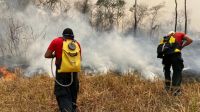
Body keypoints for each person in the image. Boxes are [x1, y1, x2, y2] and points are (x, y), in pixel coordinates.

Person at [45, 28, 81, 112]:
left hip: (61, 72)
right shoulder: (77, 44)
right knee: (73, 93)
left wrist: (55, 55)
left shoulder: (56, 41)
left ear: (63, 35)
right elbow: (79, 59)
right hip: (74, 73)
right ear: (72, 36)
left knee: (62, 94)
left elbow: (47, 55)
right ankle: (73, 109)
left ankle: (66, 110)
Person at [159, 31, 192, 96]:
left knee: (167, 71)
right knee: (177, 71)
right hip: (175, 55)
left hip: (166, 56)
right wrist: (182, 46)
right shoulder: (180, 34)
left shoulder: (166, 38)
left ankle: (167, 89)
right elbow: (190, 40)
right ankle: (176, 91)